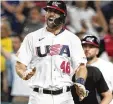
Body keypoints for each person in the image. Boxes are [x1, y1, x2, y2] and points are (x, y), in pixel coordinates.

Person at [15, 1, 88, 104]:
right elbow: (20, 64)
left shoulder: (73, 39)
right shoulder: (31, 37)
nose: (51, 14)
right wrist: (23, 74)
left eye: (56, 11)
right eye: (49, 10)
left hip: (65, 96)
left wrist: (80, 82)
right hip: (39, 97)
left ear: (63, 16)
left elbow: (81, 66)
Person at [81, 35, 113, 104]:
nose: (87, 49)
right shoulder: (77, 67)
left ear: (97, 51)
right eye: (84, 46)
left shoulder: (108, 66)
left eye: (91, 46)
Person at [1, 35, 32, 104]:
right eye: (11, 42)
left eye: (15, 42)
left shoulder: (33, 56)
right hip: (17, 94)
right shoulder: (13, 57)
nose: (13, 44)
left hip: (31, 96)